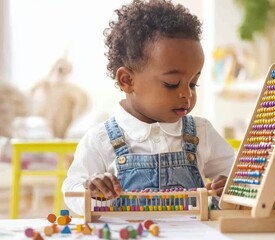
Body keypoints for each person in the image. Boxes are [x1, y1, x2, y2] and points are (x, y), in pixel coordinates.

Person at [62, 0, 235, 216]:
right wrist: (92, 192)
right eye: (171, 84)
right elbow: (71, 191)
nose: (187, 94)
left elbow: (240, 179)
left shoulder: (201, 133)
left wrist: (228, 188)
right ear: (127, 80)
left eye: (193, 83)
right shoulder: (100, 139)